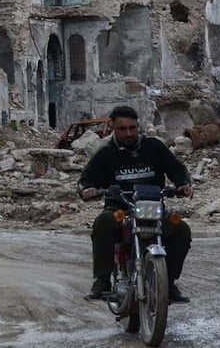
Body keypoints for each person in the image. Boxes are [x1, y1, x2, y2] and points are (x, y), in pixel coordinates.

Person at [77, 105, 194, 303]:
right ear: (113, 128)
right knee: (103, 223)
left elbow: (177, 170)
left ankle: (169, 282)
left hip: (153, 209)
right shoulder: (106, 153)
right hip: (120, 210)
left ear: (138, 126)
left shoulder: (154, 147)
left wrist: (183, 184)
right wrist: (88, 190)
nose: (128, 133)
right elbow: (86, 180)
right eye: (122, 129)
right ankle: (102, 281)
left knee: (180, 229)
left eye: (132, 128)